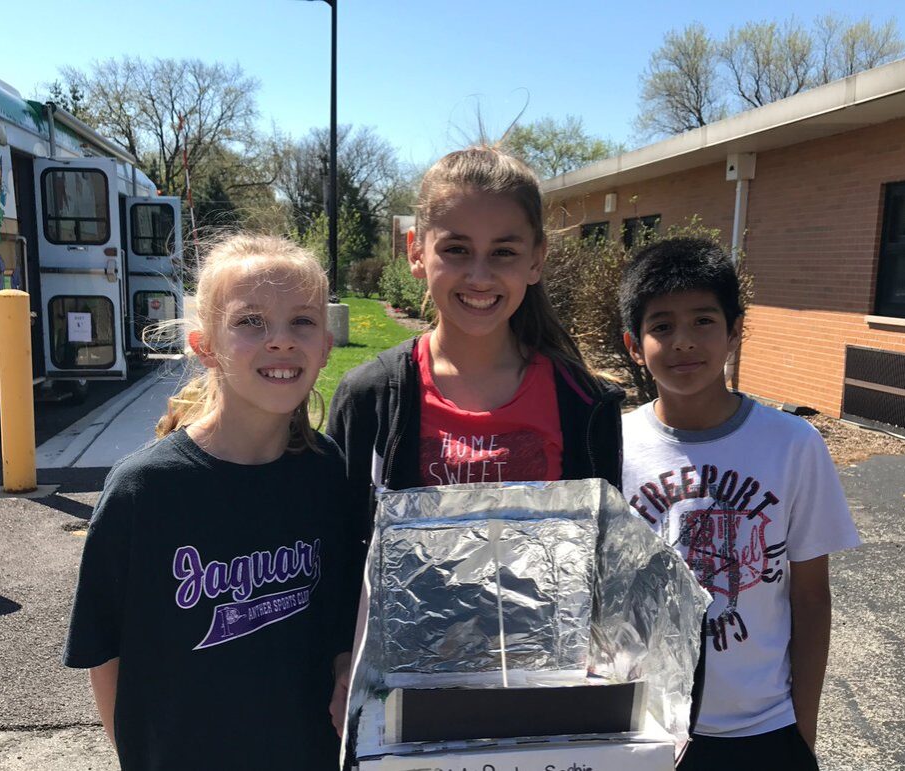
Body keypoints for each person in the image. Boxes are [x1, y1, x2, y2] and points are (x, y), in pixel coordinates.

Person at [64, 234, 355, 770]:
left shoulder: (329, 474)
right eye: (250, 322)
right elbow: (102, 653)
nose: (281, 341)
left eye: (302, 322)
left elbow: (340, 614)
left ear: (326, 347)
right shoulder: (144, 491)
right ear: (204, 346)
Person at [617, 237, 861, 770]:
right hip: (648, 723)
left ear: (735, 331)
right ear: (634, 344)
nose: (683, 342)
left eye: (703, 320)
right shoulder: (612, 446)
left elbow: (811, 597)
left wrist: (804, 726)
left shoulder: (793, 444)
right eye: (661, 326)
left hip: (763, 725)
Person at [328, 146, 624, 554]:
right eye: (456, 249)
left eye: (504, 252)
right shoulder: (369, 399)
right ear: (416, 251)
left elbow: (604, 562)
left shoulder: (585, 401)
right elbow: (336, 552)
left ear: (536, 259)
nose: (480, 277)